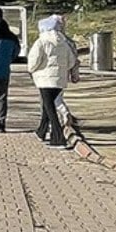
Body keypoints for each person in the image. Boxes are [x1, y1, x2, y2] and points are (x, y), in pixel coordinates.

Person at [28, 15, 81, 147]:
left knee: (48, 106)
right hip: (59, 80)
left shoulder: (41, 42)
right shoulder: (64, 43)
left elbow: (33, 61)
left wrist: (32, 70)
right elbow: (71, 61)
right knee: (49, 104)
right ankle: (41, 131)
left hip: (44, 79)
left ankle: (58, 136)